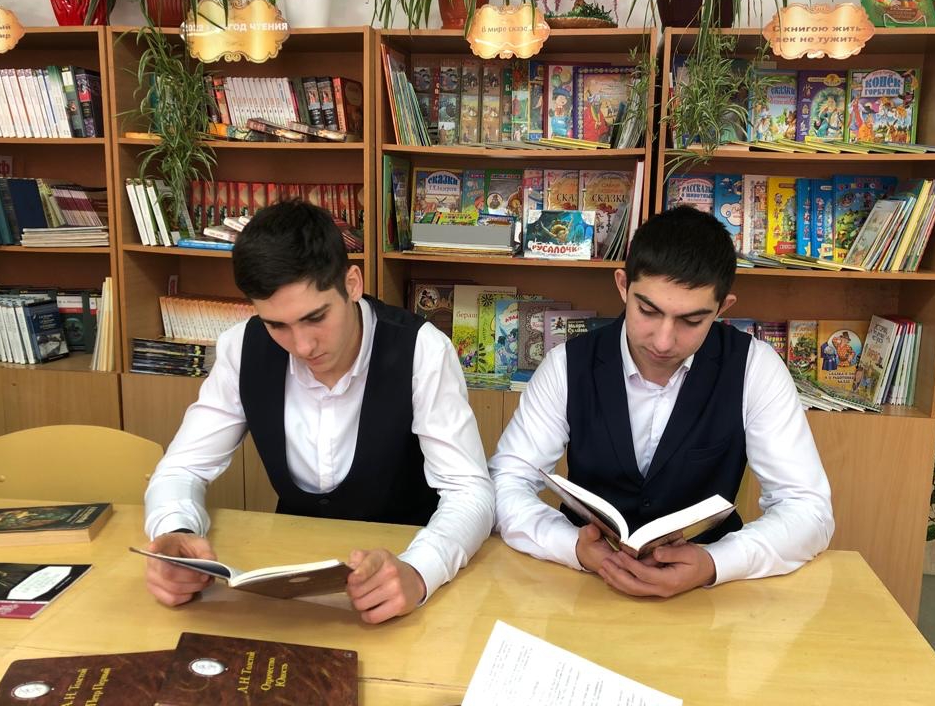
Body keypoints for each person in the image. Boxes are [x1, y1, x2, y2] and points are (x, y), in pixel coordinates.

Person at [143, 201, 494, 623]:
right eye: (277, 325)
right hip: (291, 582)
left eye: (315, 318)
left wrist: (420, 570)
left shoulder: (422, 350)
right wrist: (175, 532)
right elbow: (182, 468)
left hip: (403, 564)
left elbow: (470, 491)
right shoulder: (242, 348)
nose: (302, 345)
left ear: (352, 283)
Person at [489, 206, 833, 598]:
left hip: (706, 597)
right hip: (582, 586)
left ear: (723, 308)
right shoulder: (567, 365)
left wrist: (715, 562)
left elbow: (808, 510)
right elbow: (506, 483)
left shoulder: (755, 368)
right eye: (648, 311)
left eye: (691, 321)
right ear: (623, 286)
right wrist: (571, 547)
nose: (664, 341)